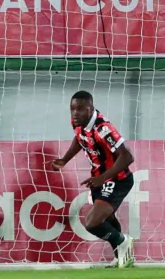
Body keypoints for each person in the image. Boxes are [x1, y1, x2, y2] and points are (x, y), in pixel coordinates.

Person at [50, 90, 136, 268]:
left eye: (80, 109)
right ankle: (121, 256)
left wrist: (103, 178)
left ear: (90, 109)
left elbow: (127, 157)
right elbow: (79, 138)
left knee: (92, 223)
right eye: (72, 109)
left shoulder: (103, 129)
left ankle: (123, 241)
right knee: (108, 218)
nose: (75, 113)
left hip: (117, 179)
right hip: (99, 179)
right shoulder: (78, 123)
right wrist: (65, 159)